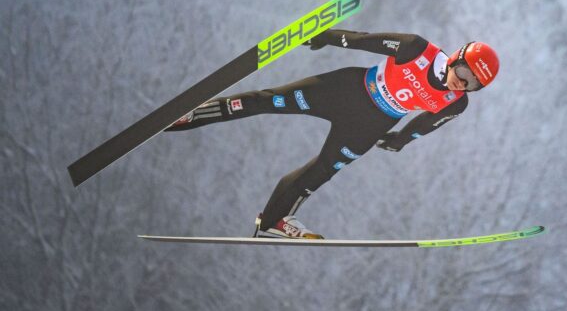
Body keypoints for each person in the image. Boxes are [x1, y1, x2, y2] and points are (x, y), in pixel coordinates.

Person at [166, 29, 500, 239]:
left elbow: (424, 125)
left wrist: (400, 140)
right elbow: (362, 39)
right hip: (347, 89)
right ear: (456, 58)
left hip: (371, 124)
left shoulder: (456, 103)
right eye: (462, 72)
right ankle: (197, 113)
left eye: (472, 83)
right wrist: (325, 35)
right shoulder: (416, 49)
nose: (462, 82)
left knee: (322, 171)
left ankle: (273, 221)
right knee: (270, 100)